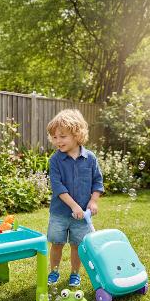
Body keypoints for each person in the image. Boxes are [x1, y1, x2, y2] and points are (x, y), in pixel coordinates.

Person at [46, 109, 104, 288]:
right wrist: (73, 206)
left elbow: (97, 181)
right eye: (54, 137)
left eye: (62, 136)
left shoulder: (90, 159)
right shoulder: (55, 160)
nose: (58, 141)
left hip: (82, 216)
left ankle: (74, 274)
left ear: (77, 134)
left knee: (77, 246)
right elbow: (58, 187)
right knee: (56, 243)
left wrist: (93, 201)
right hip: (60, 213)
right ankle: (54, 271)